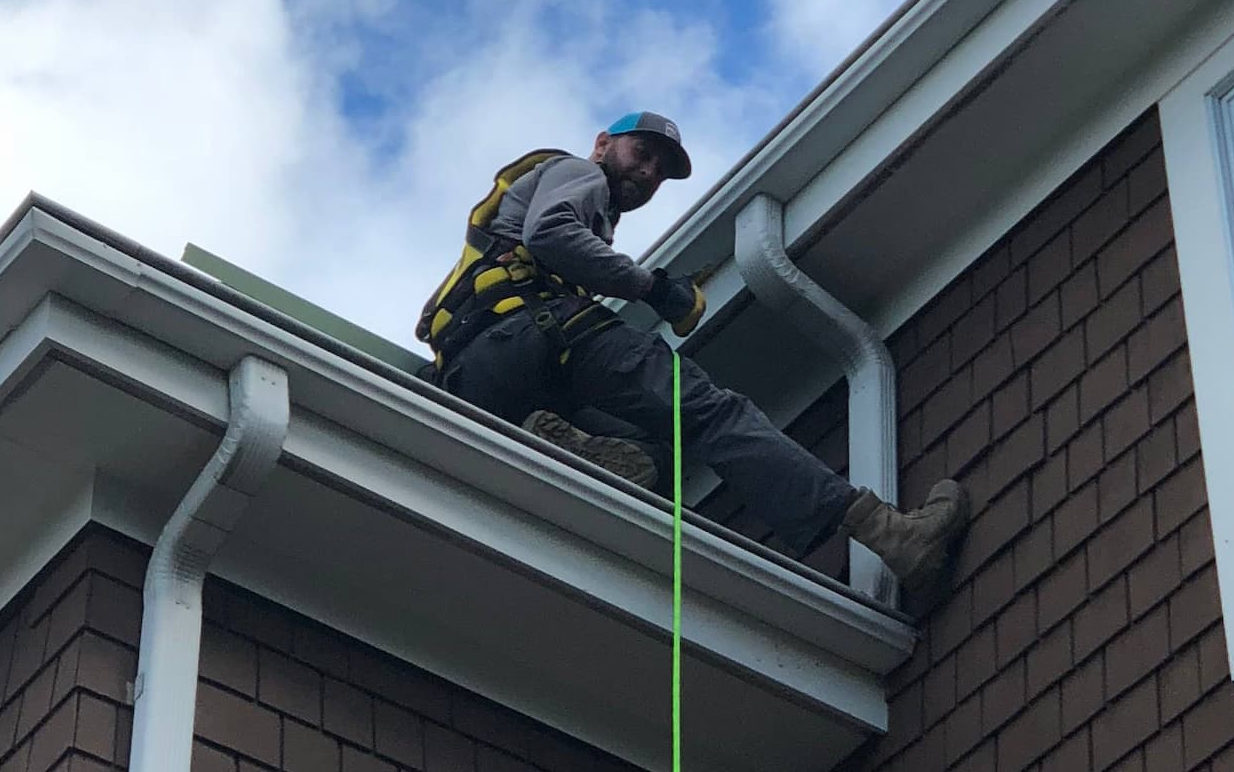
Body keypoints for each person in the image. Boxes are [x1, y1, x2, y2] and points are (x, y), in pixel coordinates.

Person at [416, 111, 973, 613]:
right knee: (709, 413)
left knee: (649, 451)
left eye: (660, 170)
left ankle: (553, 439)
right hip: (536, 332)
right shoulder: (574, 172)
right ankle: (889, 534)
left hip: (479, 377)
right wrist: (655, 289)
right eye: (642, 154)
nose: (648, 173)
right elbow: (551, 232)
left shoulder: (557, 213)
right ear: (603, 144)